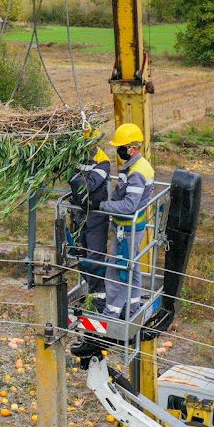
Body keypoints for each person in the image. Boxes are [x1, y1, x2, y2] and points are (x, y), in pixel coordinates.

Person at [99, 123, 154, 320]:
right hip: (130, 228)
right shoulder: (136, 166)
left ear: (133, 148)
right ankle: (133, 307)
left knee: (117, 271)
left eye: (121, 147)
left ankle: (111, 313)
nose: (119, 151)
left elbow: (129, 205)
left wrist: (103, 205)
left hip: (128, 229)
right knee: (133, 266)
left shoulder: (137, 172)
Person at [68, 126, 112, 299]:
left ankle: (100, 294)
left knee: (95, 255)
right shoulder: (77, 154)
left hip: (96, 216)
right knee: (80, 253)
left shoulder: (103, 161)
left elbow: (89, 185)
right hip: (80, 214)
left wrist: (74, 178)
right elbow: (72, 177)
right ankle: (93, 290)